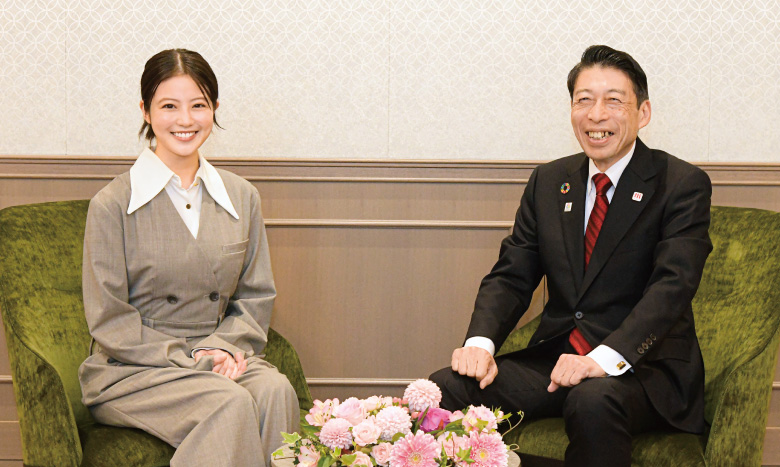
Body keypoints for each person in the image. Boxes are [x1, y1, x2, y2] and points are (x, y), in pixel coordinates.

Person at [430, 45, 712, 467]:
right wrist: (480, 343)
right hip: (557, 358)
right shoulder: (549, 181)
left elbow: (671, 289)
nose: (596, 115)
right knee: (445, 388)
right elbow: (512, 274)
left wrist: (600, 360)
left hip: (643, 370)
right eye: (584, 100)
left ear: (644, 112)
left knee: (592, 399)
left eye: (614, 100)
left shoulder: (681, 183)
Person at [78, 49, 299, 467]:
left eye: (198, 105)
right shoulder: (111, 204)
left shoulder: (241, 196)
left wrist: (219, 349)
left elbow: (254, 300)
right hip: (133, 368)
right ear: (145, 111)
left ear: (214, 109)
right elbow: (109, 319)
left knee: (275, 390)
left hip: (218, 352)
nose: (185, 120)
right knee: (228, 402)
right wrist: (190, 358)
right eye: (169, 106)